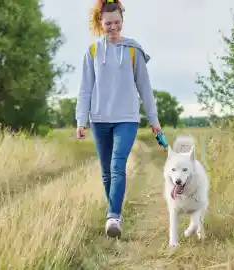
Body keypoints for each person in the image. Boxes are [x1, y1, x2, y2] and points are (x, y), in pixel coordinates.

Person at [75, 0, 161, 238]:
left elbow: (145, 88)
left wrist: (153, 120)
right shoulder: (92, 52)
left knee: (117, 165)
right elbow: (85, 89)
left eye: (117, 23)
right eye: (108, 23)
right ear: (100, 23)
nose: (113, 27)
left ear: (123, 21)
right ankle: (114, 214)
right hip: (99, 119)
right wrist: (81, 120)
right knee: (106, 172)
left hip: (127, 118)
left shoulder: (134, 51)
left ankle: (113, 216)